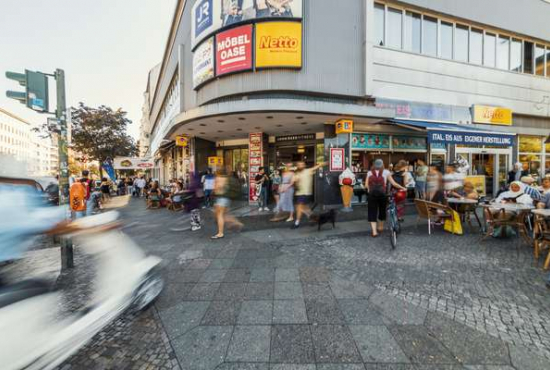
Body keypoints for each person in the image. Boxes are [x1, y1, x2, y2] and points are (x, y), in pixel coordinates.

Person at [366, 159, 406, 237]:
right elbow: (394, 184)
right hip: (382, 195)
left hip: (372, 195)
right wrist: (403, 188)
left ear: (374, 165)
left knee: (372, 212)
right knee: (382, 211)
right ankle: (380, 227)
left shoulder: (369, 172)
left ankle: (374, 232)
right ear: (382, 165)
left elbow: (366, 185)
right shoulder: (386, 172)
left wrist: (369, 189)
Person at [292, 161, 325, 229]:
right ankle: (316, 219)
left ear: (304, 166)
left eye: (302, 164)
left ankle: (297, 223)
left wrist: (323, 163)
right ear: (297, 166)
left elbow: (316, 167)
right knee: (305, 209)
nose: (300, 165)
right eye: (299, 164)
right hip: (298, 193)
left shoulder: (308, 171)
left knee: (299, 207)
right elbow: (294, 182)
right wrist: (295, 182)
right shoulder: (296, 173)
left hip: (305, 193)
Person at [211, 169, 243, 239]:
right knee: (224, 215)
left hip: (221, 199)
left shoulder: (218, 178)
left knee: (220, 216)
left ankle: (220, 233)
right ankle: (237, 223)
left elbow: (217, 188)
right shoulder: (226, 178)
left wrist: (214, 190)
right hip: (226, 199)